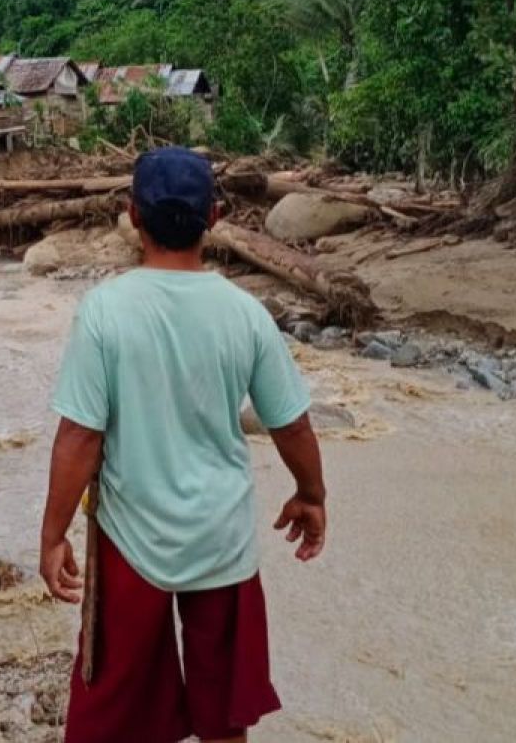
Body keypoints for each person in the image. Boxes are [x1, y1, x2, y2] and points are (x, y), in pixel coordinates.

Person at [41, 147, 328, 743]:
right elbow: (292, 424)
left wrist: (53, 535)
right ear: (215, 217)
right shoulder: (244, 314)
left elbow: (81, 435)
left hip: (131, 542)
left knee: (115, 710)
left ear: (132, 216)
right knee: (225, 712)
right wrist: (311, 494)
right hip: (220, 540)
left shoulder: (104, 311)